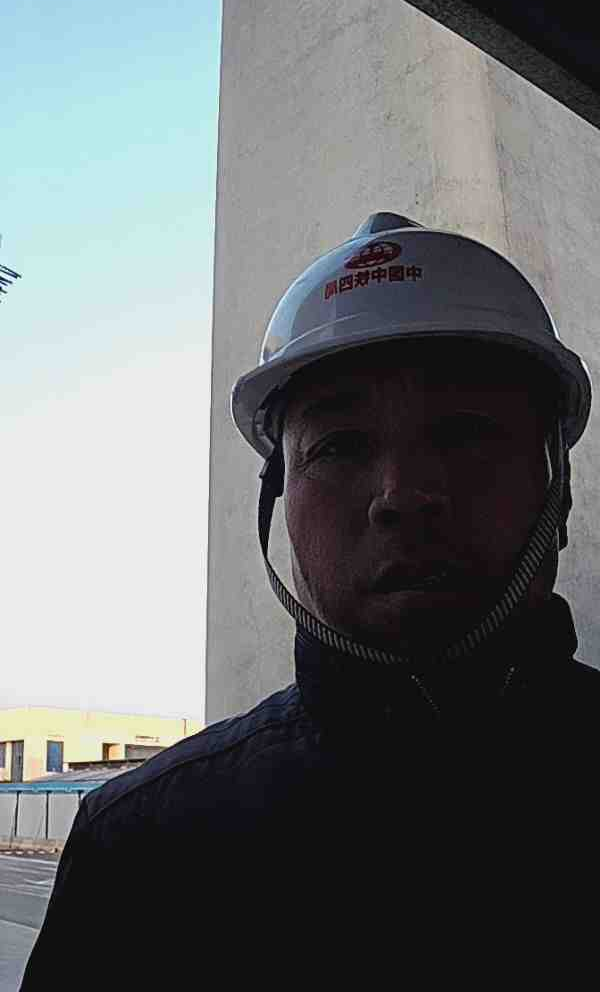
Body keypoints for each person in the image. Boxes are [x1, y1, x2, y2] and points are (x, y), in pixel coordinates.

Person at [20, 213, 599, 987]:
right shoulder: (142, 843)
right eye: (340, 446)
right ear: (279, 503)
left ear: (558, 490)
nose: (402, 496)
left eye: (465, 432)